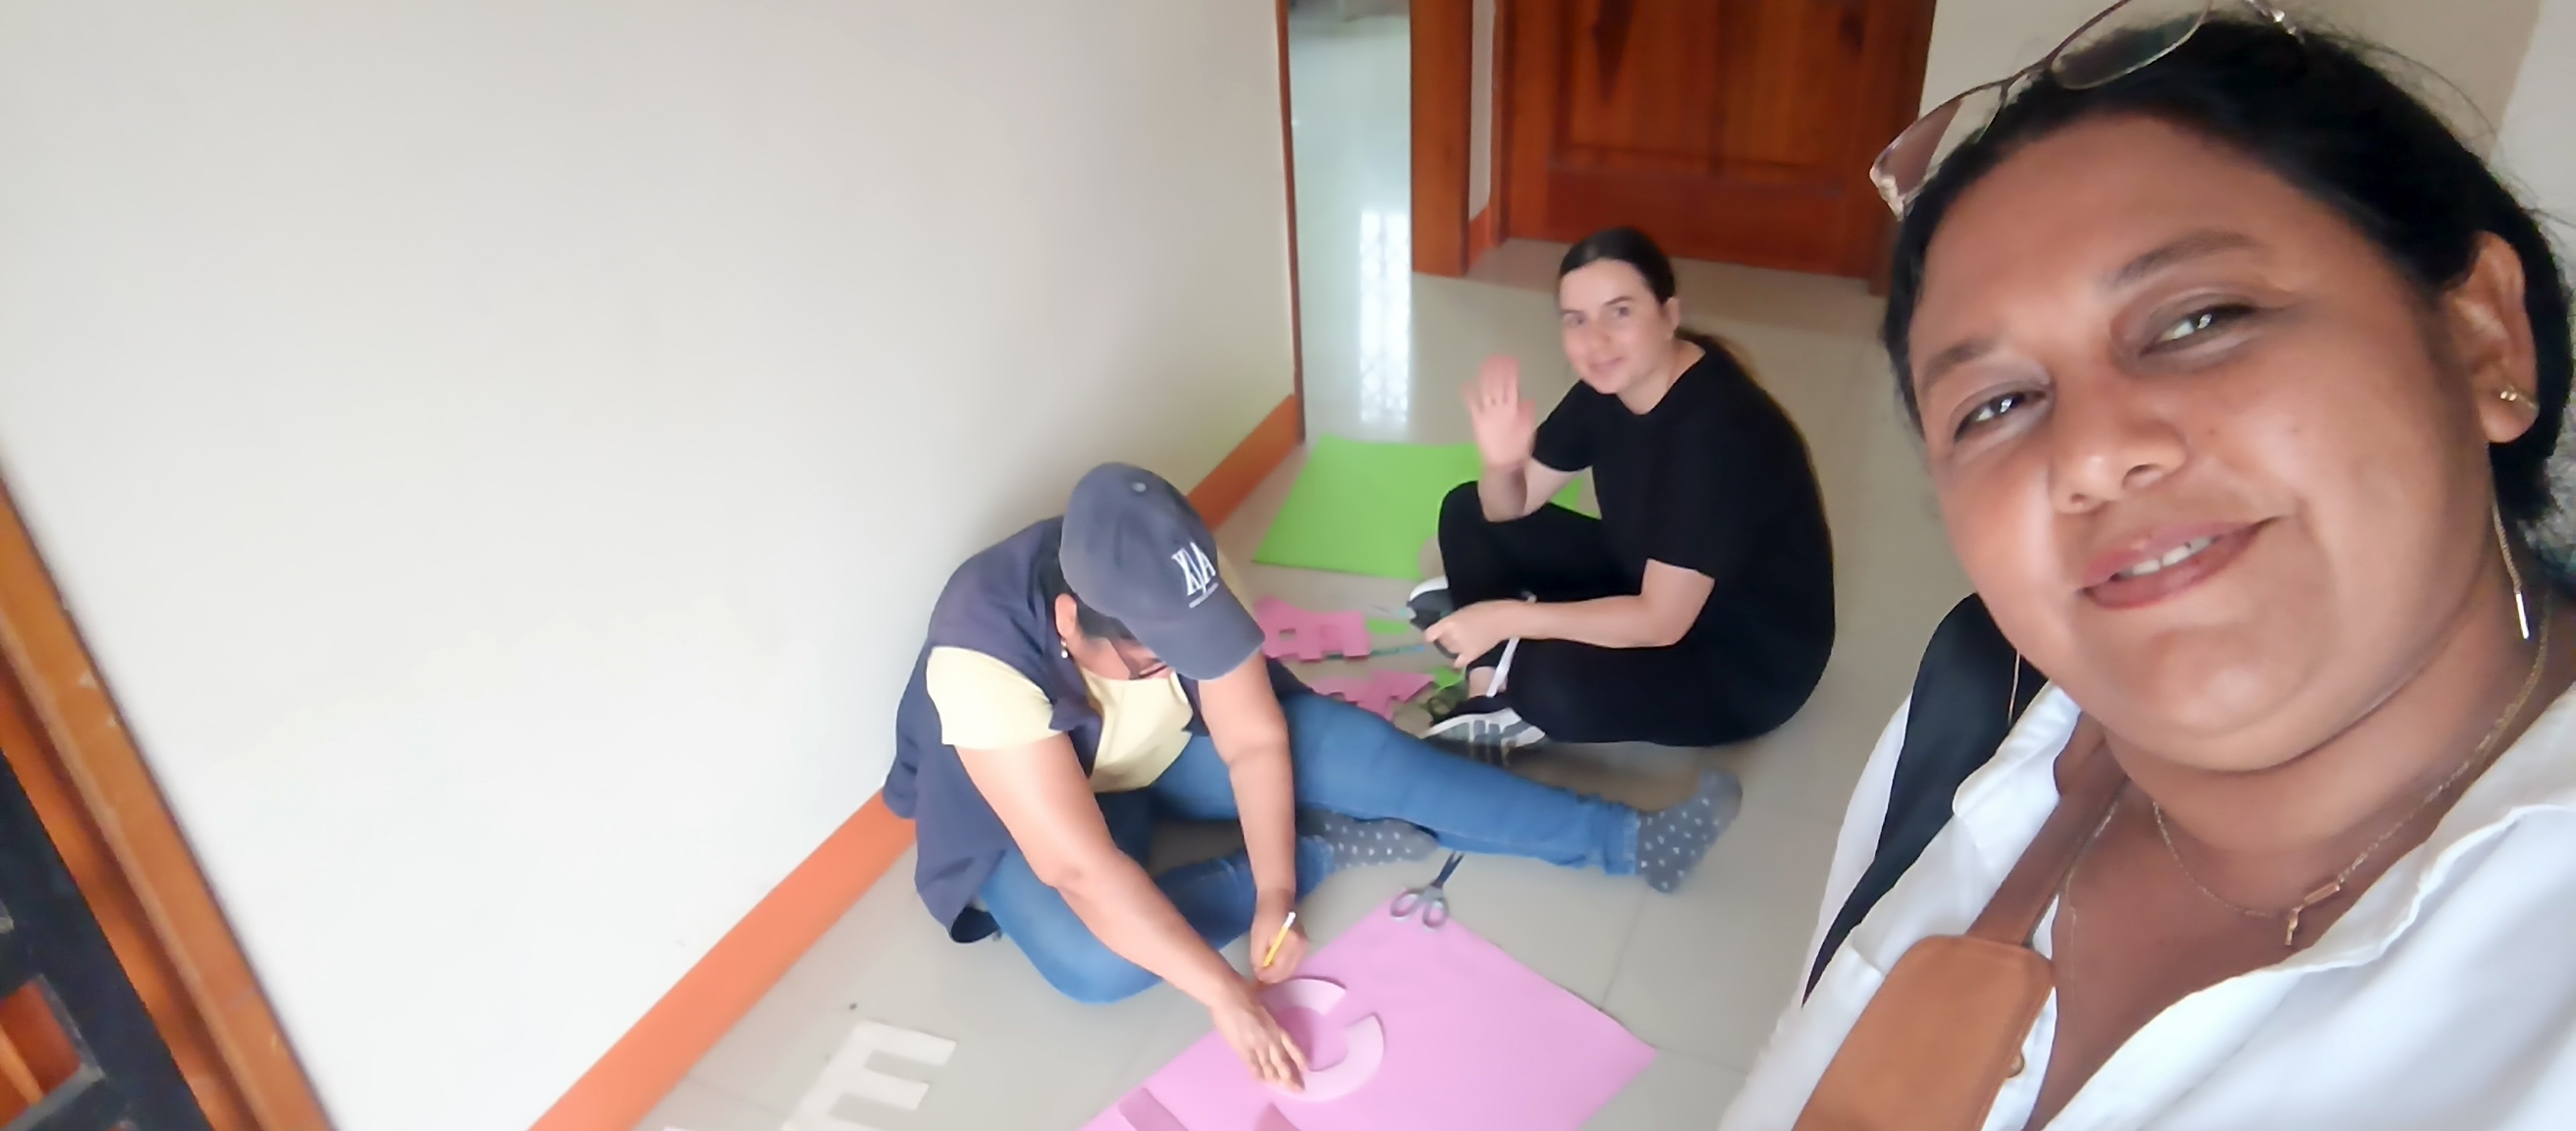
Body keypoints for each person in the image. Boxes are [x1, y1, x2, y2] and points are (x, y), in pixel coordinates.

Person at [1724, 5, 2576, 1129]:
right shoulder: (1976, 714)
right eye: (1995, 405)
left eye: (2197, 319)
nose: (2088, 454)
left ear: (2479, 338)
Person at [883, 462, 1742, 1091]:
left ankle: (1628, 842)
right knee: (1091, 961)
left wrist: (1275, 894)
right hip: (1033, 814)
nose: (1174, 665)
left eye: (1186, 651)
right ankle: (1323, 847)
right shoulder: (980, 652)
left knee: (1363, 755)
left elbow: (1256, 741)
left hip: (1159, 755)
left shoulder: (1184, 575)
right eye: (1151, 661)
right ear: (1073, 623)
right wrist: (1226, 994)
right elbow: (1079, 866)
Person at [1416, 227, 1835, 753]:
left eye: (1620, 312)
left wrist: (1505, 616)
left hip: (1741, 659)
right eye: (1577, 320)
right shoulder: (1607, 387)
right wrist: (1500, 464)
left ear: (1669, 315)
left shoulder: (1718, 433)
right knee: (1467, 508)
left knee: (1549, 682)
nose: (1596, 342)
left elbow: (1661, 621)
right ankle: (1487, 687)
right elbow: (1510, 508)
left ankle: (1511, 643)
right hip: (1648, 572)